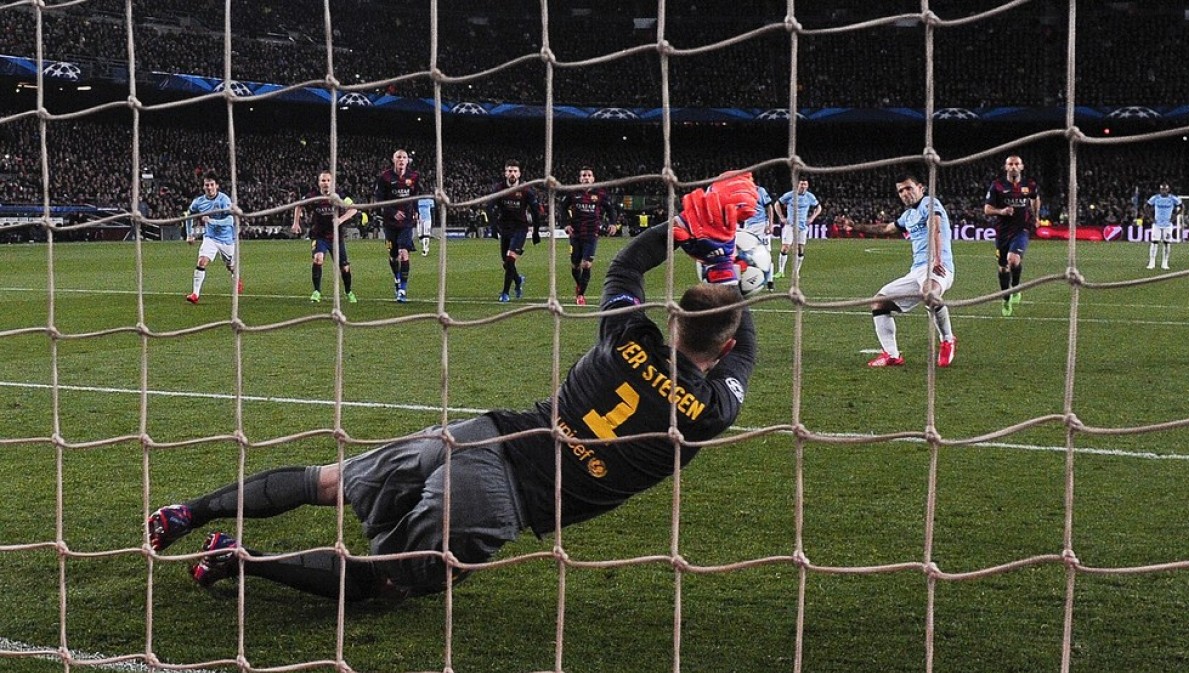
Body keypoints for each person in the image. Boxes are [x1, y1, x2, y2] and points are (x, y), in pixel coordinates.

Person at [145, 173, 761, 603]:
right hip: (508, 496)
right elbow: (741, 346)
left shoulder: (624, 337)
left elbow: (626, 266)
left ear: (672, 320)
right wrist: (726, 266)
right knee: (384, 582)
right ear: (726, 348)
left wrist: (688, 230)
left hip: (483, 435)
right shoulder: (708, 412)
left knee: (326, 481)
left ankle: (184, 513)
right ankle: (239, 556)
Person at [844, 175, 956, 368]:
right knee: (879, 302)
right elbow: (886, 229)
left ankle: (947, 340)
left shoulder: (929, 203)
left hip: (938, 266)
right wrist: (855, 227)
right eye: (901, 191)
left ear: (920, 188)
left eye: (908, 188)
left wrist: (937, 258)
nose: (905, 193)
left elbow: (936, 228)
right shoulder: (908, 216)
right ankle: (892, 354)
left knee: (930, 293)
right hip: (917, 271)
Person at [983, 155, 1041, 317]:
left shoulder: (1029, 185)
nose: (1014, 167)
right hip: (1002, 232)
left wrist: (1036, 216)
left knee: (1013, 260)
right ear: (1006, 167)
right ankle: (1006, 298)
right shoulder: (997, 185)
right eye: (1010, 164)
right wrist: (1001, 211)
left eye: (1016, 164)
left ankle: (1015, 288)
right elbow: (987, 209)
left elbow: (1035, 198)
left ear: (1021, 167)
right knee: (1003, 267)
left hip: (1022, 229)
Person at [291, 171, 358, 304]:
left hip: (336, 237)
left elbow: (354, 208)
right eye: (323, 180)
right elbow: (299, 205)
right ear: (319, 183)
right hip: (319, 236)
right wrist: (296, 223)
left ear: (332, 182)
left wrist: (341, 219)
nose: (326, 183)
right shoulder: (313, 196)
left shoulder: (339, 195)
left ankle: (348, 291)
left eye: (328, 180)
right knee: (318, 259)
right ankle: (317, 291)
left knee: (344, 267)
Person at [560, 166, 619, 305]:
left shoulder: (600, 194)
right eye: (583, 175)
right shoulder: (573, 193)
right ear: (580, 179)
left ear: (593, 178)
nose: (586, 178)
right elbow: (562, 208)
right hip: (575, 234)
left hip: (591, 234)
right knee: (575, 265)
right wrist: (565, 224)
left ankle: (580, 295)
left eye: (588, 175)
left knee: (586, 264)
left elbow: (610, 209)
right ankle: (579, 284)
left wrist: (612, 223)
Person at [488, 159, 543, 302]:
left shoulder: (526, 190)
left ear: (519, 174)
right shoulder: (499, 189)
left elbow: (535, 212)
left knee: (510, 258)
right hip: (505, 229)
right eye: (509, 171)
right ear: (505, 173)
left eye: (514, 171)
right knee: (506, 263)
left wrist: (536, 232)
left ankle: (505, 293)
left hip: (520, 229)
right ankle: (518, 280)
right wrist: (493, 226)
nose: (512, 173)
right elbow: (489, 207)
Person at [184, 170, 242, 304]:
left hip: (227, 239)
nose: (209, 188)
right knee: (202, 261)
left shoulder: (224, 200)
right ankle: (195, 294)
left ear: (217, 186)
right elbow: (189, 215)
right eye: (207, 185)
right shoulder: (199, 202)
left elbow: (230, 220)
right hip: (210, 237)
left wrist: (211, 221)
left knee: (231, 266)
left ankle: (237, 278)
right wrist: (189, 234)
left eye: (211, 185)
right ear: (203, 186)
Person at [373, 149, 422, 303]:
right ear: (393, 160)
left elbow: (415, 196)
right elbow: (379, 200)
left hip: (406, 223)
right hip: (390, 223)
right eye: (398, 157)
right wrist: (393, 212)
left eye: (404, 157)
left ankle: (402, 289)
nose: (401, 160)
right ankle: (397, 278)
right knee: (394, 256)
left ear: (408, 161)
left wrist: (416, 211)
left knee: (403, 253)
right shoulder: (385, 177)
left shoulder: (414, 176)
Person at [773, 177, 821, 280]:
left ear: (807, 186)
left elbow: (819, 207)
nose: (803, 186)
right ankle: (781, 271)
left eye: (805, 184)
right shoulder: (790, 195)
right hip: (790, 225)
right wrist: (781, 217)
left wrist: (812, 218)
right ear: (797, 185)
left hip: (802, 227)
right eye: (801, 184)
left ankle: (796, 272)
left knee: (800, 249)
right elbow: (777, 204)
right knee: (785, 247)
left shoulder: (810, 196)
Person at [740, 181, 777, 291]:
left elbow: (769, 207)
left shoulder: (760, 191)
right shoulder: (741, 193)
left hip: (761, 226)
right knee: (747, 255)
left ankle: (770, 281)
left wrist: (770, 225)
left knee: (767, 253)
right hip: (748, 227)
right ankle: (751, 280)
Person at [1144, 183, 1181, 270]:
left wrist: (1175, 216)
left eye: (1165, 189)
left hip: (1167, 224)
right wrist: (1150, 217)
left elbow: (1182, 206)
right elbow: (1146, 206)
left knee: (1166, 243)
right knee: (1154, 242)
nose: (1164, 191)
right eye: (1162, 189)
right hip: (1157, 224)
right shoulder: (1155, 198)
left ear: (1168, 190)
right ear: (1160, 190)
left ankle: (1165, 262)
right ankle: (1152, 262)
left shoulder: (1172, 198)